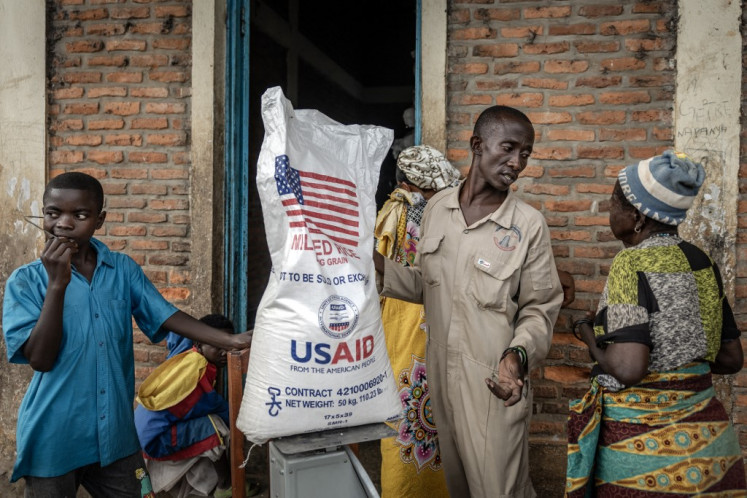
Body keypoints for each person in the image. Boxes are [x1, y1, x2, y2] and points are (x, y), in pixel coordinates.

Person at [2, 172, 252, 498]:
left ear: (99, 220)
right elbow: (40, 359)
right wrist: (57, 285)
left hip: (115, 435)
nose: (63, 223)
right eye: (53, 213)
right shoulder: (26, 282)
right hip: (54, 436)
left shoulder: (121, 270)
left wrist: (230, 341)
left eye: (79, 215)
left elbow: (165, 314)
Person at [373, 106, 564, 497]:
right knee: (457, 487)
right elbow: (429, 286)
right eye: (508, 149)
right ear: (477, 145)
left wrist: (517, 357)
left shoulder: (527, 226)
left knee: (500, 489)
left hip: (493, 380)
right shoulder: (437, 211)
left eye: (525, 154)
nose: (517, 163)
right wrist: (377, 266)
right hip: (439, 376)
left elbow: (540, 308)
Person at [565, 151, 746, 496]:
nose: (609, 211)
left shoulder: (629, 263)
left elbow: (629, 368)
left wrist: (589, 334)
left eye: (613, 203)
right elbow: (730, 359)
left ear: (635, 216)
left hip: (644, 455)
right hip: (711, 450)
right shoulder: (702, 262)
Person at [374, 144, 460, 498]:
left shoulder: (408, 212)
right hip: (412, 322)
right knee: (410, 411)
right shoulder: (400, 211)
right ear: (410, 184)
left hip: (412, 323)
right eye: (429, 188)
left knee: (416, 411)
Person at [135, 314, 256, 498]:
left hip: (142, 432)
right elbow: (222, 411)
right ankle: (226, 486)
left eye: (229, 345)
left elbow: (176, 335)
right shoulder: (198, 373)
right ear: (199, 345)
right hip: (154, 440)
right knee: (217, 427)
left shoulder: (186, 351)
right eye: (219, 346)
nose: (225, 353)